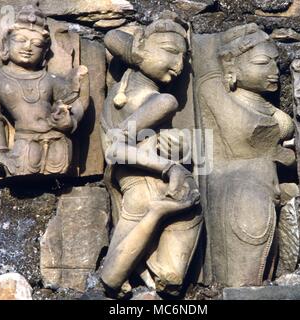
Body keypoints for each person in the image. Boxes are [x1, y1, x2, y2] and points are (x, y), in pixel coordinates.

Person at [100, 12, 202, 297]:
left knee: (116, 277)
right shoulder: (163, 101)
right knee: (161, 278)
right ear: (141, 47)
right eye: (170, 52)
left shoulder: (118, 95)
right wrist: (171, 167)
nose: (179, 65)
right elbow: (115, 149)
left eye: (183, 57)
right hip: (153, 187)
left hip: (136, 187)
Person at [194, 23, 295, 287]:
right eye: (263, 63)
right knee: (243, 277)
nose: (274, 71)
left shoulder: (262, 103)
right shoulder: (214, 91)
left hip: (264, 185)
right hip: (237, 188)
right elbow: (244, 139)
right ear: (231, 68)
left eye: (275, 63)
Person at [0, 4, 88, 178]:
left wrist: (71, 121)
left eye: (36, 44)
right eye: (20, 40)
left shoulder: (49, 79)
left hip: (58, 141)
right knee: (21, 167)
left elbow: (75, 103)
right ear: (6, 44)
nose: (28, 47)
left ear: (44, 52)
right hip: (24, 143)